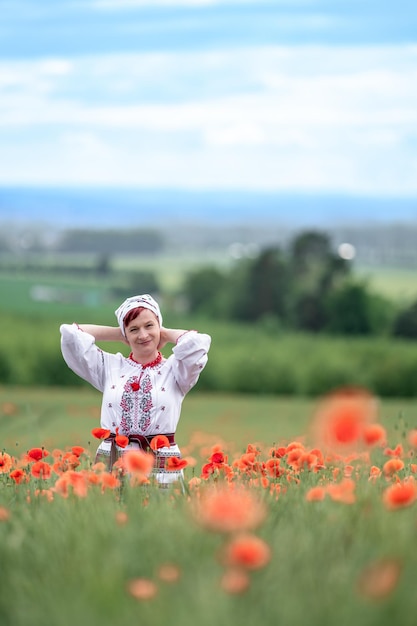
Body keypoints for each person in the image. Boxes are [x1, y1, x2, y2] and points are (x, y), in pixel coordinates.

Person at [60, 294, 211, 486]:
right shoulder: (110, 366)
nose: (143, 335)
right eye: (134, 329)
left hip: (161, 469)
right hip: (113, 465)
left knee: (159, 515)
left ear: (159, 325)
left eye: (149, 326)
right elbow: (71, 334)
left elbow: (197, 343)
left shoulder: (176, 370)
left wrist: (164, 333)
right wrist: (119, 333)